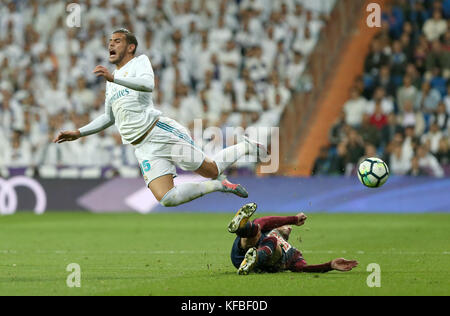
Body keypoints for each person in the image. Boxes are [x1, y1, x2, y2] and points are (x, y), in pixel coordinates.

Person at [53, 29, 268, 207]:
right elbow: (109, 118)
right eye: (110, 41)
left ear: (130, 47)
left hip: (160, 132)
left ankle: (245, 147)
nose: (111, 45)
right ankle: (218, 186)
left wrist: (115, 77)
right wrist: (79, 132)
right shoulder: (111, 81)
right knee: (167, 198)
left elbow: (148, 85)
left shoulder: (139, 63)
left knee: (211, 170)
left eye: (117, 41)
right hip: (142, 147)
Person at [228, 203, 358, 275]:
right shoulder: (266, 230)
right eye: (285, 225)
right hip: (240, 253)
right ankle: (239, 228)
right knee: (257, 229)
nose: (289, 228)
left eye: (289, 227)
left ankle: (254, 258)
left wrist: (330, 265)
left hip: (263, 261)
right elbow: (265, 220)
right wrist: (294, 219)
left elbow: (305, 268)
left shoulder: (293, 253)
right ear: (277, 227)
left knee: (273, 241)